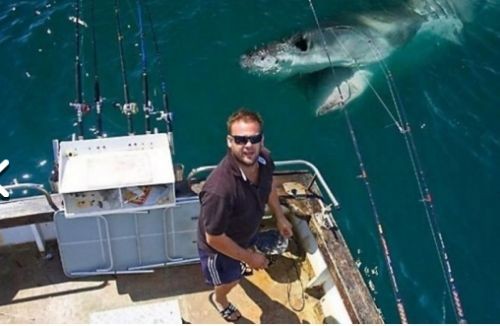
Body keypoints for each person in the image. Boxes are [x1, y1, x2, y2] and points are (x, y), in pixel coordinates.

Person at [197, 108, 293, 322]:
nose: (248, 146)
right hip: (218, 251)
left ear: (261, 139)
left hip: (246, 234)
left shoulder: (264, 159)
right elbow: (214, 237)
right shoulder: (219, 190)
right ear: (230, 141)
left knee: (238, 271)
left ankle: (240, 267)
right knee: (229, 280)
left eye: (254, 138)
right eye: (240, 140)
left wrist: (280, 216)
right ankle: (219, 300)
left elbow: (268, 186)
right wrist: (250, 258)